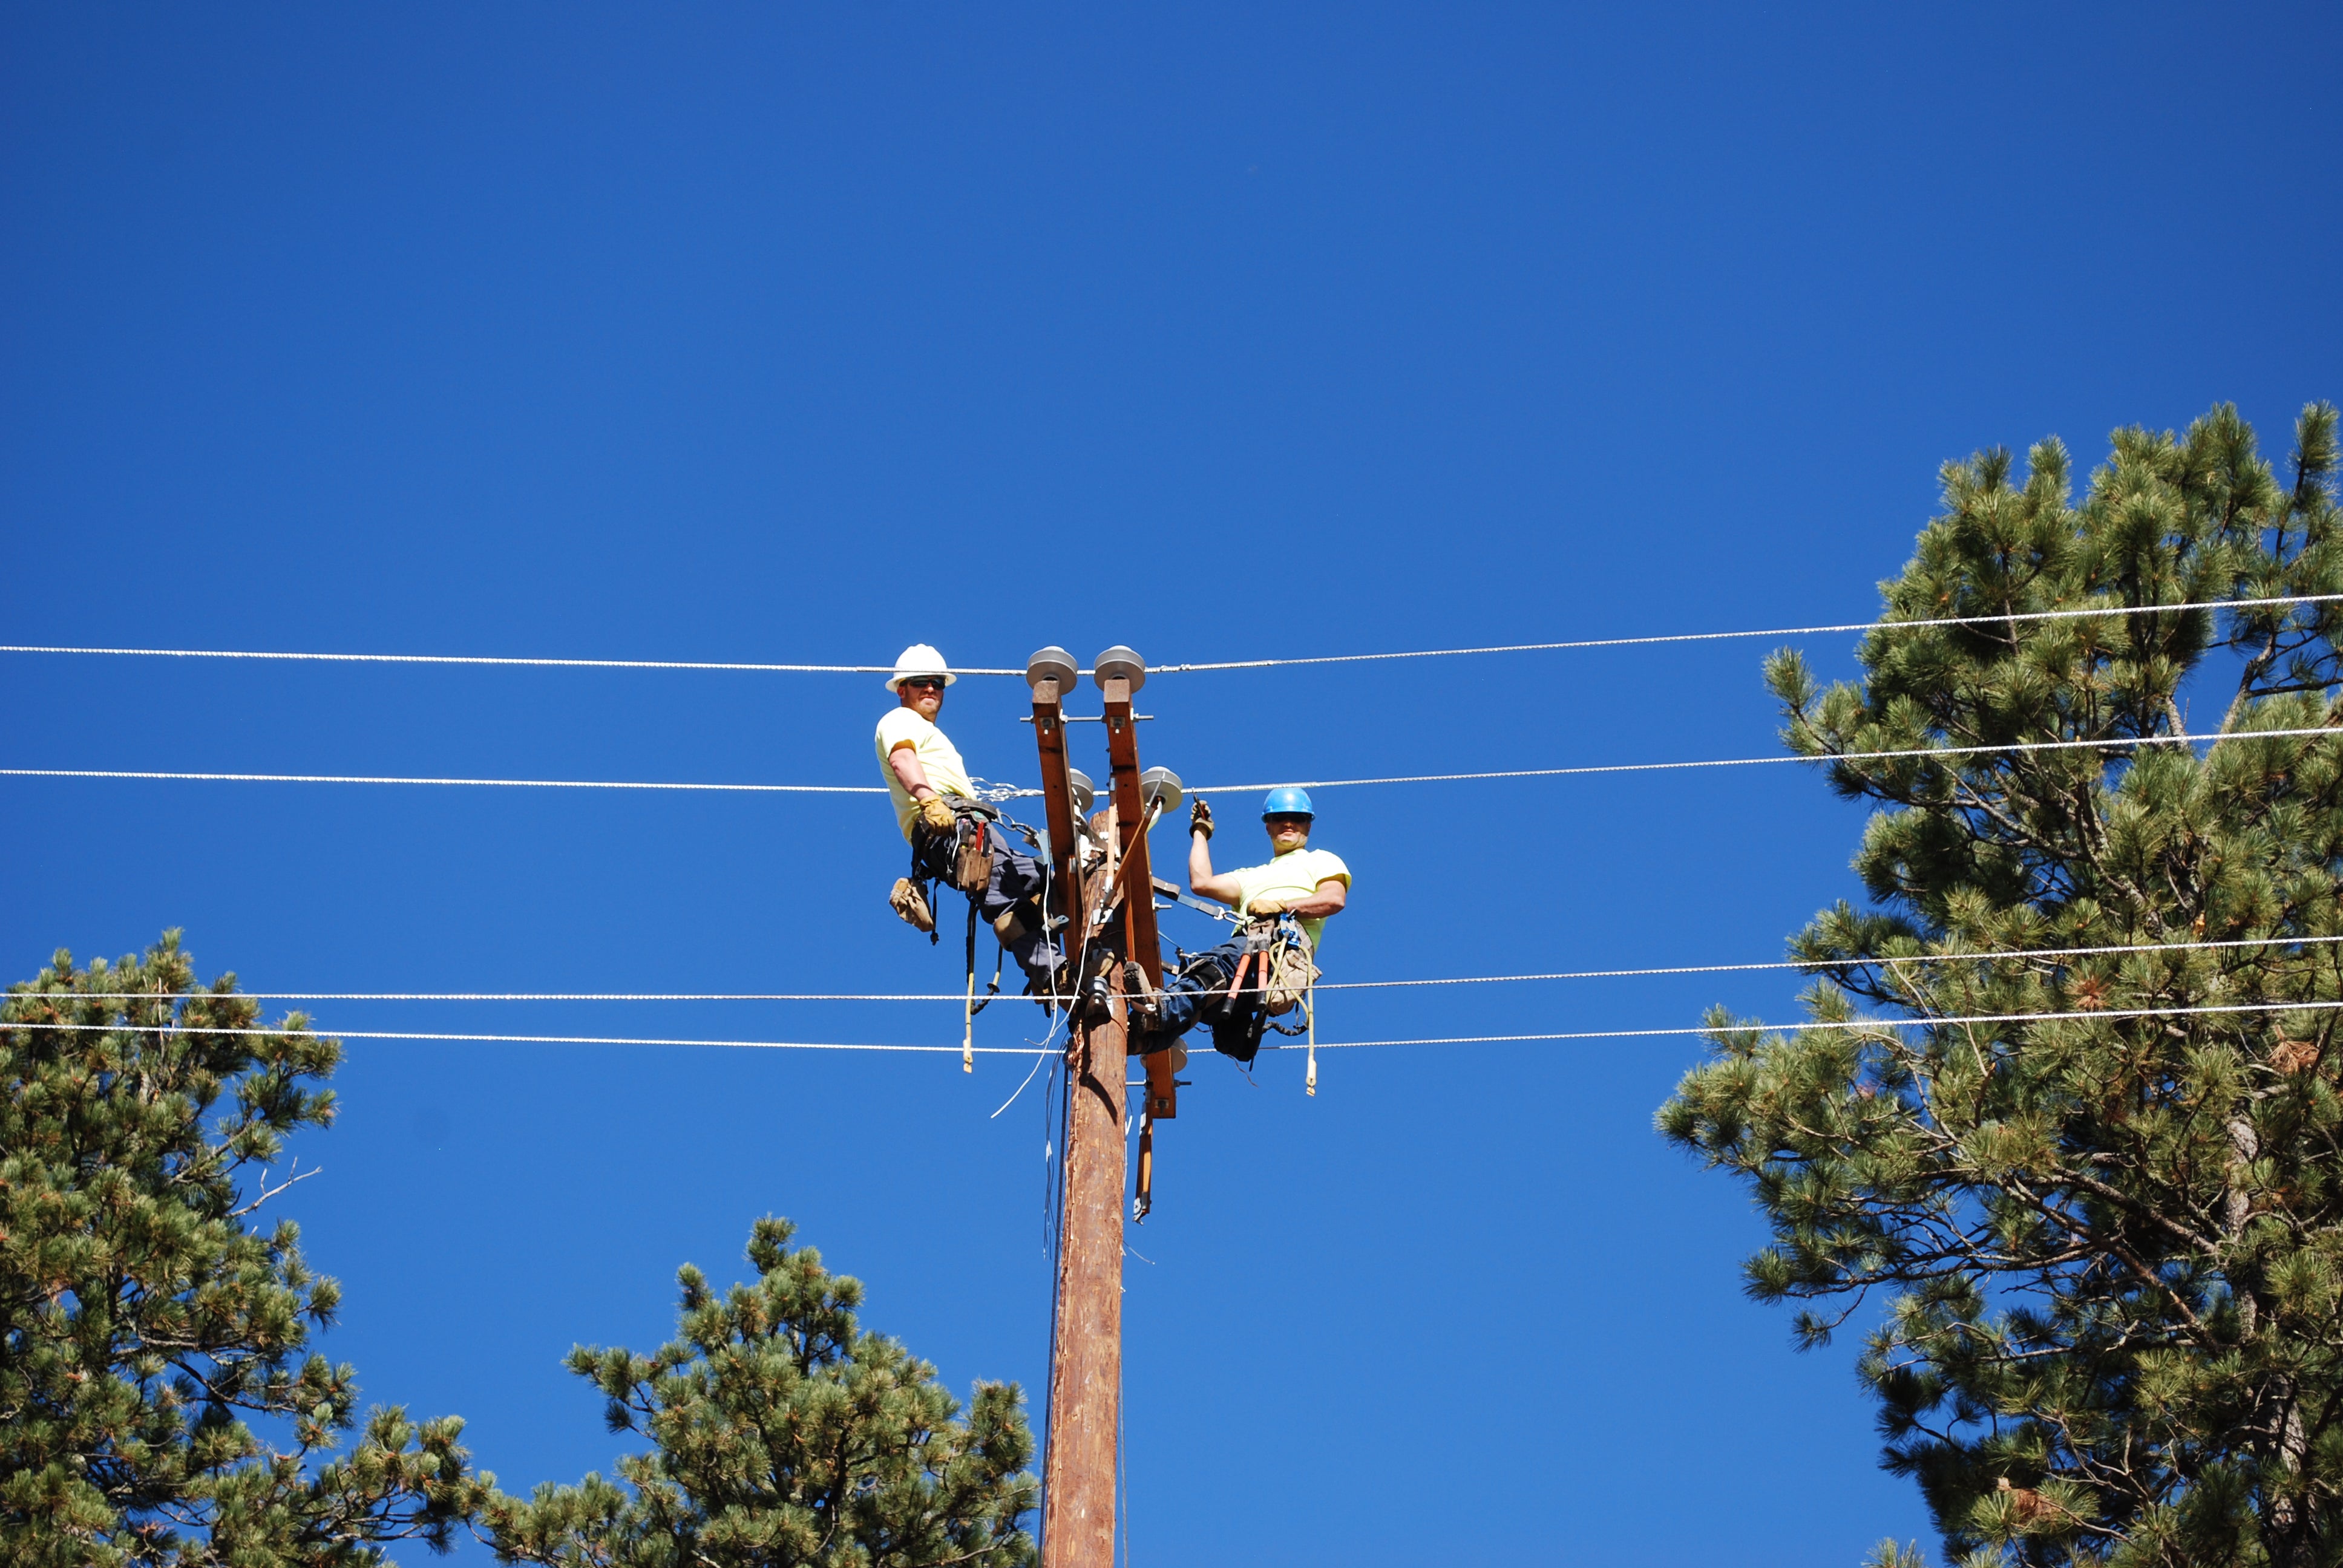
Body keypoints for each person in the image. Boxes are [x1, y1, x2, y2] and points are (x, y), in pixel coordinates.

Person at [875, 644, 1062, 995]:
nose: (931, 688)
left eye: (937, 683)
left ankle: (1060, 952)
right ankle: (1054, 975)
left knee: (1052, 883)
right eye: (920, 682)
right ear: (902, 689)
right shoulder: (898, 720)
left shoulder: (933, 734)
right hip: (948, 829)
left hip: (973, 827)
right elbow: (902, 759)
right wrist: (929, 801)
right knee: (1002, 895)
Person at [1129, 786, 1350, 1061]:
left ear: (1309, 824)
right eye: (1280, 818)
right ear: (1268, 826)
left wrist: (1283, 905)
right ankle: (1138, 1038)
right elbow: (1202, 883)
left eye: (1298, 818)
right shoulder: (1252, 876)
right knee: (1204, 996)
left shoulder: (1321, 860)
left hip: (1278, 947)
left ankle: (1160, 1007)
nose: (1289, 824)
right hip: (1248, 951)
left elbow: (1333, 899)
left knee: (1215, 967)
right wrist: (1200, 831)